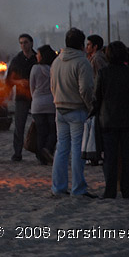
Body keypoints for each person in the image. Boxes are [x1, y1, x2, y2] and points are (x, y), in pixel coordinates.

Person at [92, 41, 129, 199]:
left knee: (110, 158)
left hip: (108, 121)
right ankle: (128, 190)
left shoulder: (103, 73)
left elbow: (97, 98)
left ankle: (110, 191)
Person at [50, 28, 95, 197]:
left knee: (61, 149)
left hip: (59, 109)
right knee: (77, 150)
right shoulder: (82, 62)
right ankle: (78, 188)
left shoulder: (56, 61)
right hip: (77, 110)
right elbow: (86, 89)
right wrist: (90, 106)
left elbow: (52, 86)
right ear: (81, 44)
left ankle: (58, 188)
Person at [6, 34, 37, 161]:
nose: (23, 45)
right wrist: (19, 82)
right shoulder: (17, 60)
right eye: (21, 43)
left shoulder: (37, 58)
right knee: (19, 126)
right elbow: (9, 79)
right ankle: (17, 153)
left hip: (36, 97)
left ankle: (39, 151)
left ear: (31, 43)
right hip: (21, 97)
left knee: (38, 126)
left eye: (25, 42)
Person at [29, 45, 58, 165]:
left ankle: (41, 157)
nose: (36, 55)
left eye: (38, 54)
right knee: (53, 130)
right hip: (51, 103)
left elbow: (32, 86)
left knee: (41, 131)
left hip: (37, 104)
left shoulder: (35, 69)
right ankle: (48, 149)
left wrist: (35, 97)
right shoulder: (54, 68)